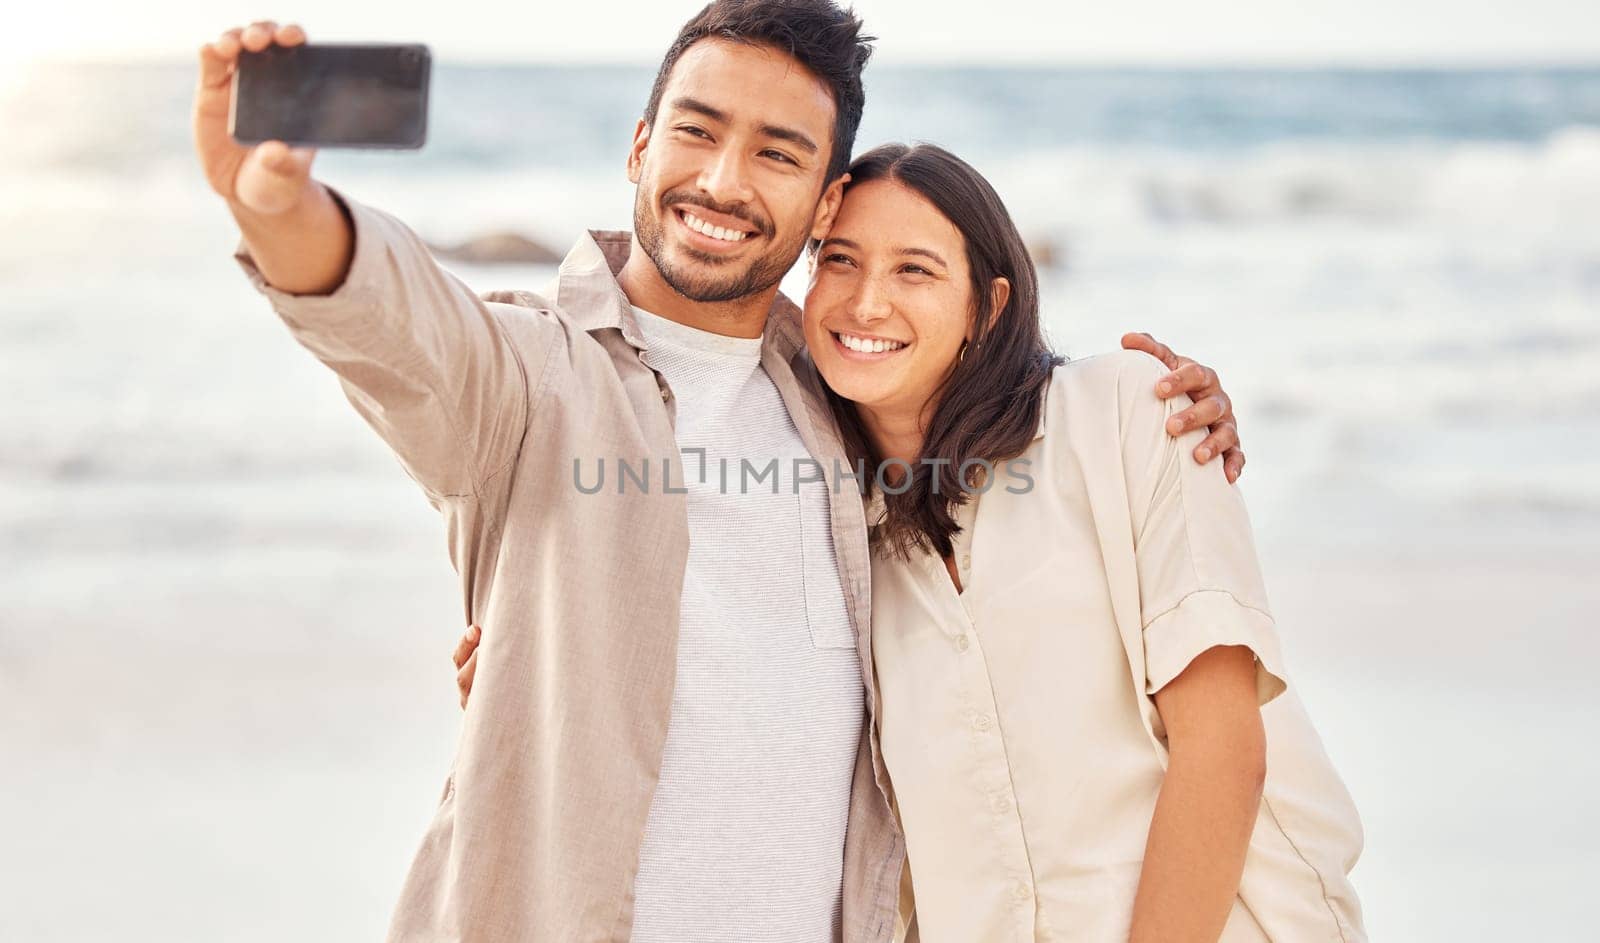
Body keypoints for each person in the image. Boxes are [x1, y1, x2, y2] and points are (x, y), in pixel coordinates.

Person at [194, 2, 1249, 940]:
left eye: (777, 153)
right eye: (696, 133)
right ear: (640, 147)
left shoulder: (844, 409)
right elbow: (395, 323)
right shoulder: (528, 378)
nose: (723, 181)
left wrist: (1151, 411)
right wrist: (278, 212)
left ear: (827, 200)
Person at [459, 143, 1367, 941]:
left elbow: (1224, 750)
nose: (866, 301)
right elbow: (746, 710)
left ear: (988, 303)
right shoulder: (836, 531)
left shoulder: (1132, 413)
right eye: (839, 262)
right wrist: (539, 662)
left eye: (916, 271)